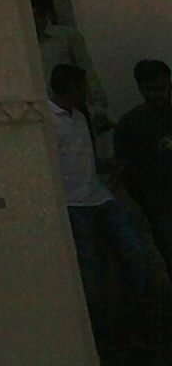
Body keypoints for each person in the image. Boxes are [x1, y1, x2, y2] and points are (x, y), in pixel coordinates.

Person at [52, 63, 160, 358]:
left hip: (99, 197)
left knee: (135, 256)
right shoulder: (48, 120)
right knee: (92, 279)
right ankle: (101, 342)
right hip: (73, 205)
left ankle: (131, 330)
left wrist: (106, 167)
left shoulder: (80, 117)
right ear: (73, 89)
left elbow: (83, 159)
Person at [115, 59, 172, 271]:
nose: (160, 94)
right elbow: (124, 172)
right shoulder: (130, 125)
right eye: (153, 89)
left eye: (164, 88)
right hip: (159, 205)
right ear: (141, 88)